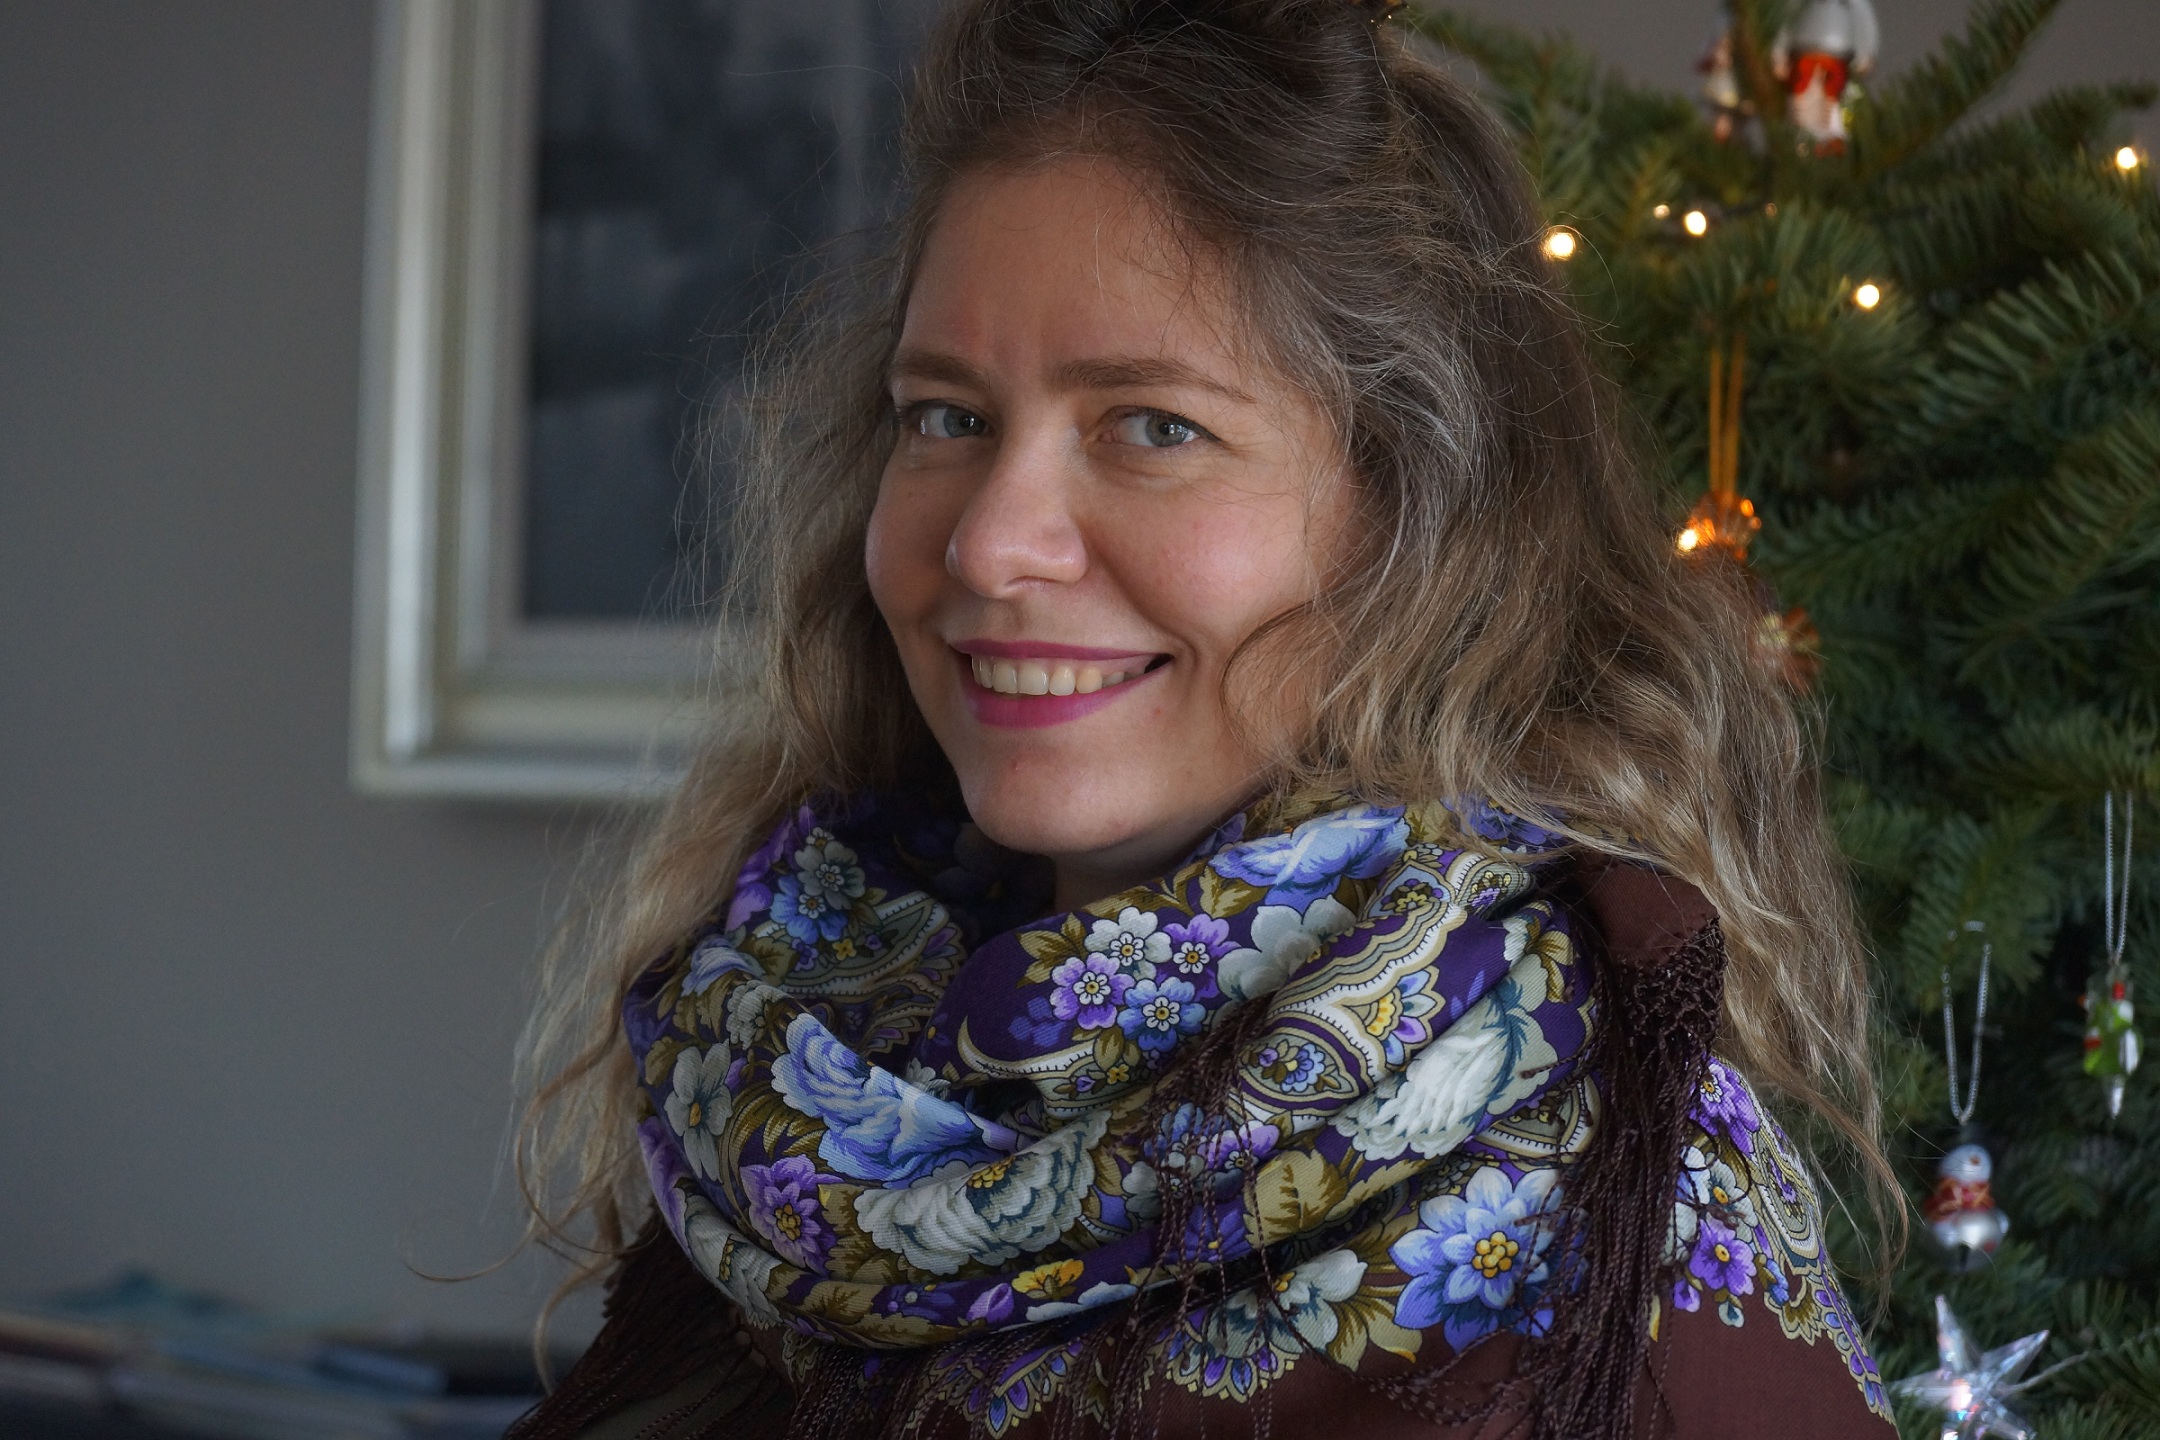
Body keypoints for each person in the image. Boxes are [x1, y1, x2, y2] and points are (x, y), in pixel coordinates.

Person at [510, 1, 1899, 1435]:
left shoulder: (1613, 1233)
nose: (990, 544)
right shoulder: (781, 1051)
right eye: (946, 418)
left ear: (1417, 517)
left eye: (1155, 428)